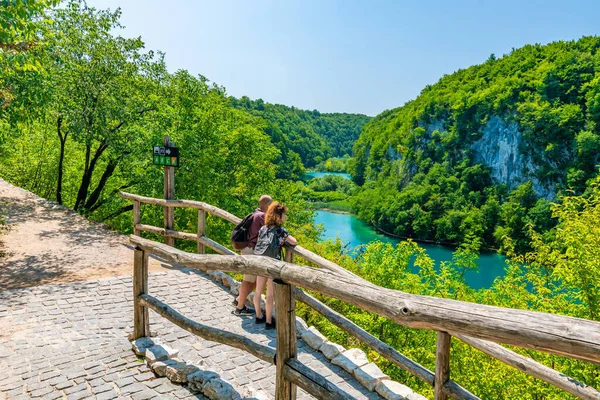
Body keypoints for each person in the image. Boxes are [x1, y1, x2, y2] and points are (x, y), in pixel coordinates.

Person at [253, 202, 297, 329]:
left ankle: (258, 316)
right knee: (270, 294)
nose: (285, 217)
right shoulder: (281, 231)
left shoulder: (263, 229)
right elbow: (294, 242)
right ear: (278, 216)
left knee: (258, 290)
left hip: (260, 262)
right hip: (273, 264)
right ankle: (268, 321)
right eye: (284, 215)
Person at [232, 195, 272, 316]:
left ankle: (239, 300)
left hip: (249, 249)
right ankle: (239, 308)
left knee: (254, 281)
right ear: (267, 204)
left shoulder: (255, 213)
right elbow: (271, 230)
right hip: (252, 251)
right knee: (248, 280)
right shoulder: (262, 216)